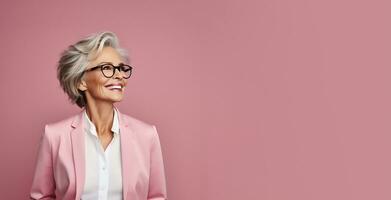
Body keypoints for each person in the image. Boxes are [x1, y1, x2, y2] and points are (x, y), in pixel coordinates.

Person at [29, 31, 168, 200]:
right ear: (81, 81)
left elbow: (156, 197)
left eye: (121, 68)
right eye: (107, 68)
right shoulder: (55, 136)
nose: (120, 75)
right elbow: (41, 197)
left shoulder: (147, 135)